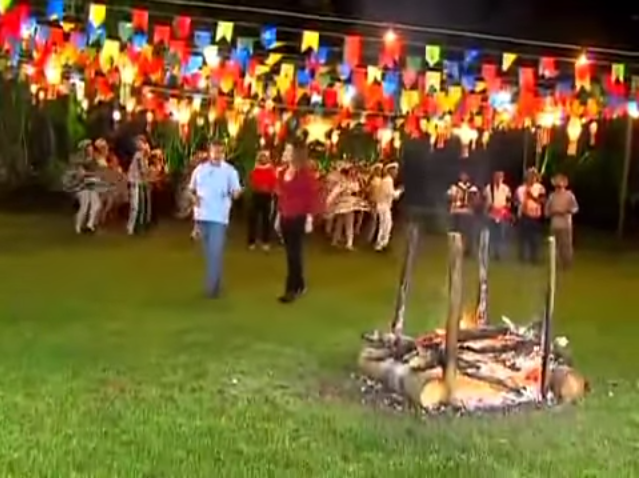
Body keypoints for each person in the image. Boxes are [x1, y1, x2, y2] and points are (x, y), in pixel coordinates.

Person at [189, 140, 242, 298]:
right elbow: (191, 189)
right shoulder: (200, 169)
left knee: (215, 252)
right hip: (201, 217)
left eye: (220, 151)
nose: (217, 154)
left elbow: (236, 190)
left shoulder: (230, 171)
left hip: (219, 218)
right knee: (210, 254)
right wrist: (194, 198)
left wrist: (235, 193)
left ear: (224, 153)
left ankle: (210, 289)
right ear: (209, 152)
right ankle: (217, 285)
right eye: (214, 151)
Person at [275, 143, 321, 303]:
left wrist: (309, 217)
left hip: (298, 217)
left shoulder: (305, 175)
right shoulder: (281, 172)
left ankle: (291, 289)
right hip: (285, 216)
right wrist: (278, 215)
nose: (285, 153)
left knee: (293, 254)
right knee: (291, 253)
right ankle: (300, 283)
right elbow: (281, 196)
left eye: (288, 150)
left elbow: (311, 196)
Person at [67, 140, 102, 234]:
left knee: (96, 204)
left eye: (91, 147)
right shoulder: (82, 162)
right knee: (84, 206)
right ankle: (78, 226)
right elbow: (81, 174)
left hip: (93, 183)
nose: (90, 149)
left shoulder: (93, 159)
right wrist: (91, 174)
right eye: (88, 148)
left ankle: (89, 225)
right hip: (84, 184)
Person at [546, 174, 578, 268]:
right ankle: (555, 264)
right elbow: (547, 210)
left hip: (565, 225)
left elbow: (575, 208)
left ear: (565, 183)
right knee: (554, 246)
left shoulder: (569, 195)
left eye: (560, 181)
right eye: (557, 181)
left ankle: (567, 264)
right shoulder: (552, 196)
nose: (558, 184)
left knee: (566, 246)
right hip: (554, 224)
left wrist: (567, 211)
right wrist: (552, 212)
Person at [247, 150, 277, 251]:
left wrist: (270, 190)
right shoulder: (255, 170)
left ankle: (265, 242)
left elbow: (273, 183)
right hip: (256, 196)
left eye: (265, 157)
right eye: (261, 157)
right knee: (253, 220)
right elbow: (252, 182)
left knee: (266, 221)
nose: (263, 159)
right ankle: (251, 242)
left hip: (267, 197)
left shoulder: (271, 170)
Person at [516, 168, 546, 264]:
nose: (532, 178)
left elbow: (542, 201)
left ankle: (534, 257)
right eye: (530, 175)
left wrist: (531, 196)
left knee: (535, 238)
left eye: (534, 176)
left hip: (536, 216)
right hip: (524, 215)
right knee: (523, 237)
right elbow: (519, 202)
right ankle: (523, 257)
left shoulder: (540, 188)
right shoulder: (520, 189)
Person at [447, 172, 480, 256]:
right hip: (456, 211)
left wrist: (472, 203)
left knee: (467, 232)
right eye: (462, 175)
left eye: (465, 175)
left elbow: (477, 200)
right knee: (457, 232)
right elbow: (449, 197)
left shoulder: (472, 188)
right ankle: (457, 249)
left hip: (467, 212)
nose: (463, 177)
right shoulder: (454, 187)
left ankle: (467, 250)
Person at [374, 162, 403, 251]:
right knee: (385, 225)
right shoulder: (388, 181)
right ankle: (380, 244)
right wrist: (400, 191)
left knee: (386, 225)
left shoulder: (387, 180)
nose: (396, 173)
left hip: (383, 205)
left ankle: (382, 243)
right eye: (395, 171)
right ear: (391, 171)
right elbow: (392, 195)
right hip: (384, 205)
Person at [126, 136, 152, 235]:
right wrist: (148, 177)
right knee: (135, 206)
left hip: (138, 182)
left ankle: (134, 227)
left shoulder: (143, 157)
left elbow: (144, 171)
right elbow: (142, 171)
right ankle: (131, 227)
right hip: (134, 182)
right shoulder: (138, 155)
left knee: (138, 206)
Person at [484, 171, 512, 260]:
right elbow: (485, 200)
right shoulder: (488, 188)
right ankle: (492, 252)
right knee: (492, 234)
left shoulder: (506, 188)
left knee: (501, 234)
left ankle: (500, 253)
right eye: (496, 176)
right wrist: (490, 208)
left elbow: (509, 201)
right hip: (491, 214)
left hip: (502, 214)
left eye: (500, 177)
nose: (498, 178)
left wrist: (504, 210)